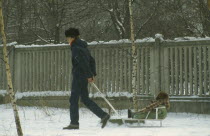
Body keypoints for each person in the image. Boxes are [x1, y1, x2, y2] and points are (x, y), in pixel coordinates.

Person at [63, 28, 110, 130]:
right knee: (85, 99)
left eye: (67, 38)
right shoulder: (83, 46)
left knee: (74, 100)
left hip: (79, 76)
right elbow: (91, 60)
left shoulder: (76, 47)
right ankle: (103, 115)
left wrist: (89, 75)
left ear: (72, 37)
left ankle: (74, 123)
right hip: (83, 76)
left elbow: (83, 62)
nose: (67, 40)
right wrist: (91, 74)